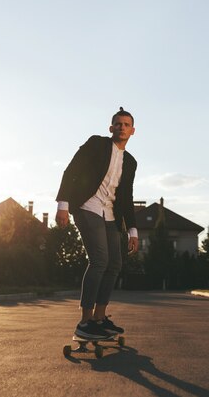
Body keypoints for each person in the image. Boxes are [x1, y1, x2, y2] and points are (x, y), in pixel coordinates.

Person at [55, 107, 139, 340]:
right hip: (87, 205)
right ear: (111, 128)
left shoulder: (130, 162)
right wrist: (63, 204)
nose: (122, 127)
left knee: (114, 264)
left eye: (126, 124)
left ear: (133, 131)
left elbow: (127, 197)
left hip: (110, 213)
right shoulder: (96, 144)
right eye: (118, 124)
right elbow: (71, 170)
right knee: (100, 259)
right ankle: (84, 322)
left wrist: (132, 230)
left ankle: (99, 319)